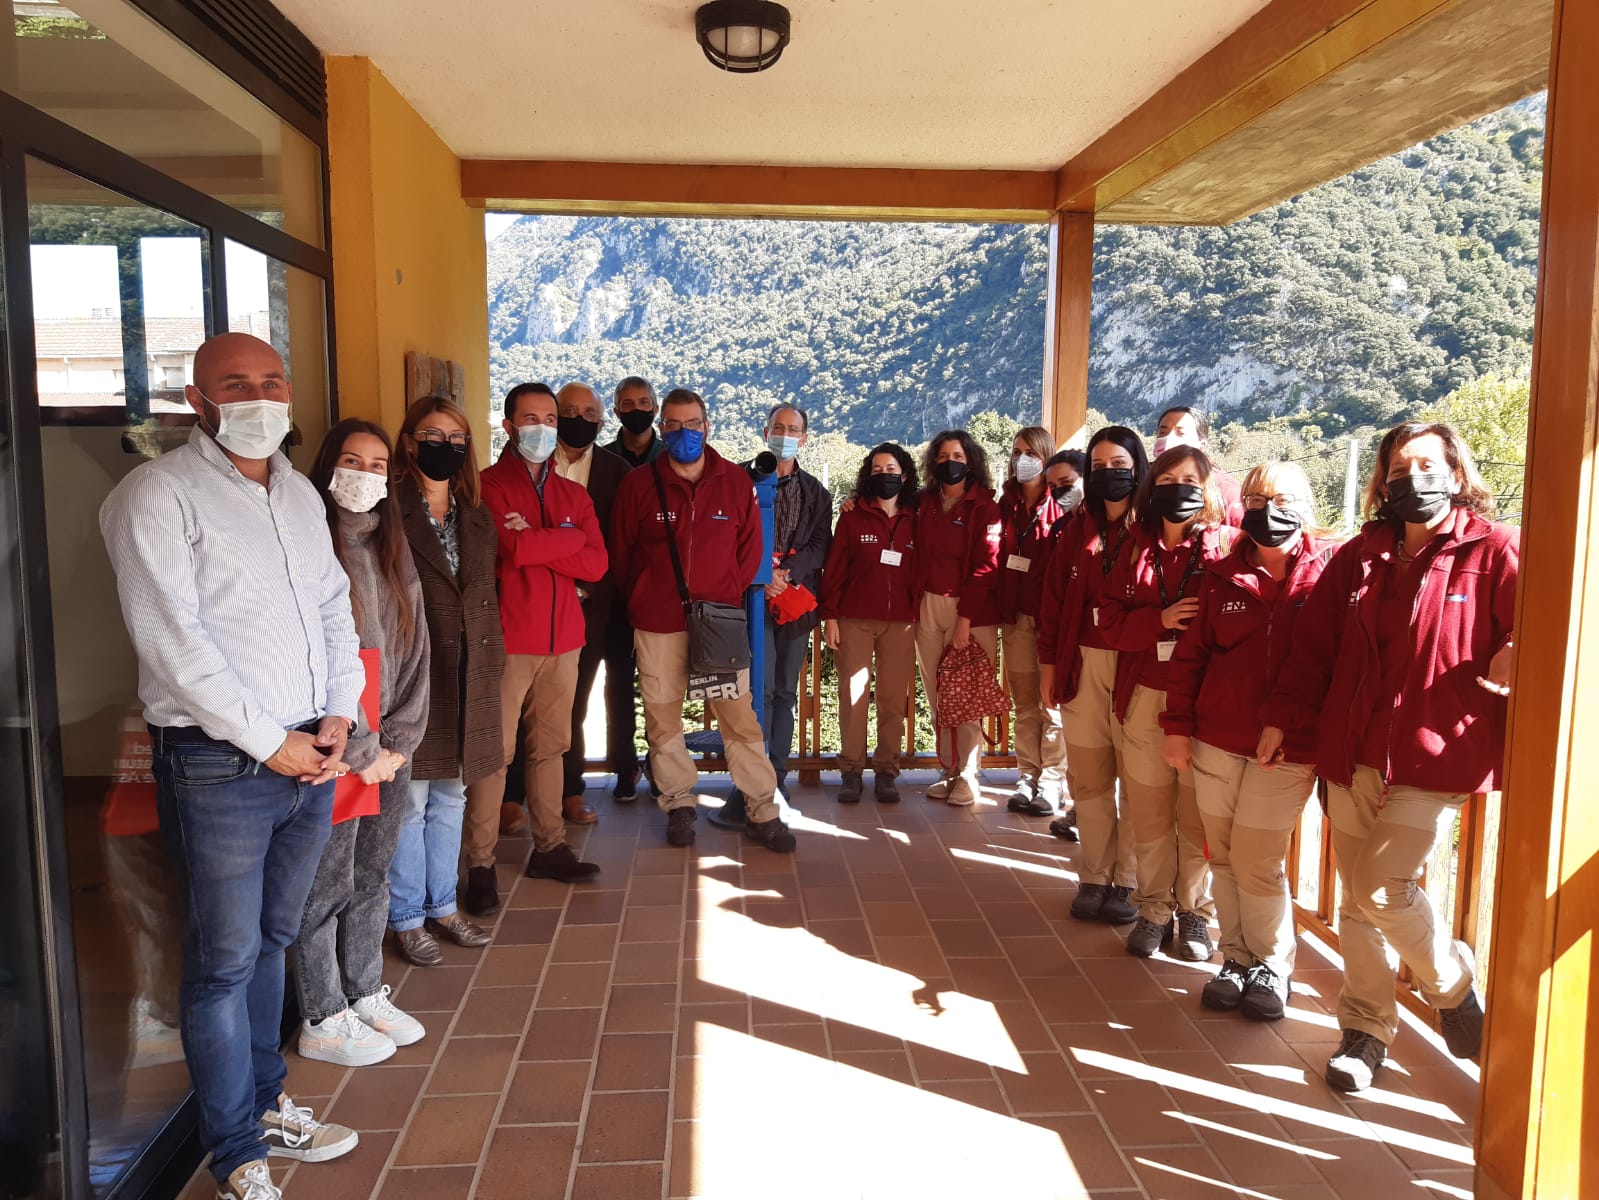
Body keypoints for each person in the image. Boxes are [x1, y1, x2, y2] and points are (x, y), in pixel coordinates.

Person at [99, 333, 359, 1200]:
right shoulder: (157, 495)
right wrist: (270, 740)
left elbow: (332, 607)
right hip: (221, 763)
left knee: (271, 942)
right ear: (197, 401)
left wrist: (337, 713)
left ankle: (264, 1100)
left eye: (272, 380)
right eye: (235, 384)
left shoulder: (298, 497)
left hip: (308, 753)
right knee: (219, 963)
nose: (259, 396)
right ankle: (236, 1151)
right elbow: (175, 646)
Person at [1260, 422, 1516, 1093]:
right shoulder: (1360, 555)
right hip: (1352, 752)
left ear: (1456, 473)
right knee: (1356, 902)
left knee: (1378, 887)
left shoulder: (1493, 551)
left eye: (1428, 464)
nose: (1413, 477)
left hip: (1435, 758)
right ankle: (1364, 1031)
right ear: (1382, 481)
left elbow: (1547, 623)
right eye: (1399, 467)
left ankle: (1451, 985)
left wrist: (1522, 646)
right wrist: (1285, 721)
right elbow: (1311, 649)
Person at [1160, 462, 1331, 1021]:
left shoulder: (1328, 574)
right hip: (1215, 739)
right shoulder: (1221, 575)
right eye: (1256, 498)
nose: (1267, 509)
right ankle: (1235, 958)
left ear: (1305, 505)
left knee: (1258, 859)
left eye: (1282, 499)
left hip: (1289, 749)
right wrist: (1178, 728)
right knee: (1224, 855)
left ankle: (1272, 965)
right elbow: (1191, 658)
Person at [292, 421, 431, 1065]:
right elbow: (316, 658)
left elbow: (417, 652)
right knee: (326, 883)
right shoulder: (308, 548)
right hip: (335, 741)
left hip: (390, 747)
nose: (364, 474)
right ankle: (322, 1013)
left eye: (377, 464)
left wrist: (398, 742)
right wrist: (361, 750)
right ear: (328, 467)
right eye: (352, 460)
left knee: (373, 873)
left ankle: (363, 988)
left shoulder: (394, 548)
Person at [609, 388, 797, 852]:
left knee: (740, 719)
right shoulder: (638, 486)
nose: (682, 433)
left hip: (717, 622)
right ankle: (679, 804)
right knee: (663, 715)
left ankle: (761, 808)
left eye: (692, 424)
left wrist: (717, 595)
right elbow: (622, 553)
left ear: (707, 426)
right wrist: (647, 596)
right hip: (658, 624)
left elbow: (749, 551)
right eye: (672, 425)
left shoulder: (734, 483)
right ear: (661, 428)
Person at [464, 383, 608, 899]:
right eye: (531, 419)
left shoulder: (575, 494)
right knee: (495, 754)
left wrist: (542, 543)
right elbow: (510, 546)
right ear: (507, 426)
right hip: (509, 640)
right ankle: (479, 864)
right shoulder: (486, 487)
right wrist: (564, 540)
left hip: (565, 639)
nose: (544, 429)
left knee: (552, 748)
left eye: (550, 419)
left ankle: (550, 848)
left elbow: (596, 563)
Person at [1098, 444, 1233, 960]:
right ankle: (1153, 911)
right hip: (1145, 695)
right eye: (1168, 478)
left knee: (1197, 820)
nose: (1180, 487)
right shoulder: (1135, 546)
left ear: (1207, 487)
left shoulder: (1226, 547)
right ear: (1153, 488)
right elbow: (1108, 621)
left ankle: (1194, 914)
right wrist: (1159, 619)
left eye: (1190, 478)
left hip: (1204, 702)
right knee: (1151, 817)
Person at [388, 395, 502, 963]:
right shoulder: (389, 508)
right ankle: (406, 916)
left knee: (452, 796)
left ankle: (443, 907)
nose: (445, 448)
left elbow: (486, 593)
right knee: (408, 801)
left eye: (456, 439)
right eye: (433, 436)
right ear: (409, 442)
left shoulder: (475, 512)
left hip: (471, 673)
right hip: (415, 671)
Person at [1038, 428, 1144, 924]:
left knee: (1139, 782)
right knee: (1092, 781)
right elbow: (1053, 604)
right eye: (1098, 466)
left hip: (1139, 669)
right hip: (1082, 663)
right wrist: (1049, 666)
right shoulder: (1077, 530)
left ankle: (1129, 881)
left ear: (1138, 467)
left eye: (1118, 463)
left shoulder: (1157, 528)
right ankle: (1095, 875)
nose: (1108, 474)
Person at [819, 444, 920, 803]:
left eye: (890, 468)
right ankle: (850, 770)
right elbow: (835, 569)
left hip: (902, 623)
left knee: (893, 699)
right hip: (854, 619)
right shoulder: (852, 515)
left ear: (904, 474)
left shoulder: (917, 515)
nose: (884, 475)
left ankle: (886, 770)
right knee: (853, 696)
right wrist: (829, 615)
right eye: (876, 469)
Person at [553, 382, 631, 824]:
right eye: (569, 411)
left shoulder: (617, 472)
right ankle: (517, 792)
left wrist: (591, 586)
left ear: (602, 422)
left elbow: (621, 545)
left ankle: (570, 788)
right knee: (539, 703)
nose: (579, 419)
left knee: (579, 700)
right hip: (539, 604)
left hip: (600, 606)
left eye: (588, 413)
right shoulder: (533, 465)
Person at [914, 430, 1002, 806]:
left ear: (971, 463)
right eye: (944, 455)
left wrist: (965, 618)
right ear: (934, 461)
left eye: (959, 456)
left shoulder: (985, 507)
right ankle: (949, 770)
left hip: (972, 610)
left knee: (966, 694)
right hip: (927, 606)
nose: (951, 461)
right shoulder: (923, 503)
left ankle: (968, 774)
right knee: (937, 692)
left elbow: (988, 565)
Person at [757, 404, 833, 792]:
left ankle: (777, 774)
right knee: (760, 689)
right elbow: (729, 535)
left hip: (796, 601)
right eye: (778, 427)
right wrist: (762, 574)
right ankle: (754, 776)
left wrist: (786, 573)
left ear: (804, 438)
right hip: (752, 602)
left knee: (786, 690)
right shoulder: (742, 480)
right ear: (764, 431)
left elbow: (822, 545)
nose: (785, 435)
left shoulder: (816, 493)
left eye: (793, 429)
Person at [996, 426, 1068, 816]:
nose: (1023, 459)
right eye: (1017, 451)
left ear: (1046, 457)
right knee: (1024, 703)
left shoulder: (1061, 501)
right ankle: (1028, 775)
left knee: (1051, 704)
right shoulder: (1005, 502)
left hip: (1051, 621)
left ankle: (1054, 781)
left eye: (1032, 453)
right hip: (1015, 617)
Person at [599, 375, 660, 798]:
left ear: (655, 407)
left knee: (664, 685)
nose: (636, 408)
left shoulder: (674, 459)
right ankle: (624, 767)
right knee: (617, 682)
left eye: (643, 401)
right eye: (627, 402)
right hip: (614, 592)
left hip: (663, 595)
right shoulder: (601, 462)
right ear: (616, 410)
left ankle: (663, 768)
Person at [1151, 406, 1245, 526]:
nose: (1168, 439)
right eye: (1163, 432)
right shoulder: (1147, 478)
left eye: (1180, 433)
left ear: (1201, 446)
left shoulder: (1225, 490)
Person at [605, 374, 664, 469]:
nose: (636, 408)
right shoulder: (601, 459)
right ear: (617, 412)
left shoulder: (670, 456)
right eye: (628, 404)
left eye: (643, 402)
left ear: (655, 409)